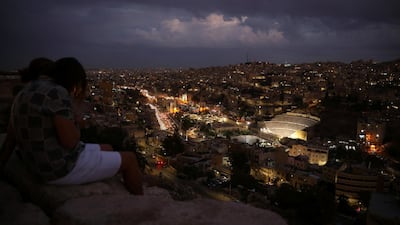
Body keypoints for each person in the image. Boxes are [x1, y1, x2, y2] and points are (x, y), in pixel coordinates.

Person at [0, 57, 143, 195]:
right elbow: (70, 142)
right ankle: (141, 206)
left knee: (108, 148)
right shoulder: (57, 93)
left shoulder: (24, 91)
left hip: (35, 163)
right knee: (129, 159)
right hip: (56, 168)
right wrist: (76, 122)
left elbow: (10, 140)